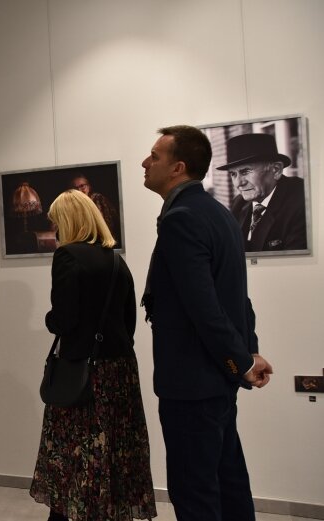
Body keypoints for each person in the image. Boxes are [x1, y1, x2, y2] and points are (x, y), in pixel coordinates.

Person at [141, 125, 273, 521]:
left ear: (178, 167)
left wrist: (244, 361)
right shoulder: (220, 213)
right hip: (215, 377)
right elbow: (237, 299)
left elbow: (205, 308)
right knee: (227, 478)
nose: (145, 163)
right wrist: (246, 352)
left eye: (154, 156)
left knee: (195, 490)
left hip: (192, 382)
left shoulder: (181, 218)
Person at [30, 189, 156, 521]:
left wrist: (49, 320)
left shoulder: (67, 256)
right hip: (120, 373)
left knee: (73, 457)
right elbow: (129, 321)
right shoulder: (116, 259)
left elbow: (65, 319)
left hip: (84, 375)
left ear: (68, 222)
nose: (55, 230)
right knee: (112, 455)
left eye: (57, 222)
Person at [216, 133, 307, 252]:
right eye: (233, 174)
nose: (238, 183)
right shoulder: (239, 203)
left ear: (276, 170)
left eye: (245, 171)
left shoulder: (303, 201)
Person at [71, 174, 119, 240]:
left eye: (82, 186)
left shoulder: (97, 198)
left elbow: (106, 226)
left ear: (89, 186)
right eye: (75, 188)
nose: (79, 190)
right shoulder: (72, 205)